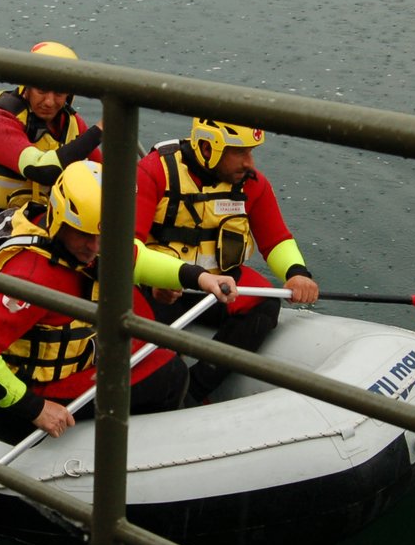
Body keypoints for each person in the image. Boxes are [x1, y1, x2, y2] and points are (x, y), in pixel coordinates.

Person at [0, 161, 237, 438]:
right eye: (85, 236)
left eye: (102, 235)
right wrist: (35, 409)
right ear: (61, 220)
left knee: (157, 345)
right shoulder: (32, 278)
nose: (95, 247)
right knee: (169, 374)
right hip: (29, 393)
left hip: (71, 363)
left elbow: (135, 258)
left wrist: (199, 277)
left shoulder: (79, 239)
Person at [135, 118, 320, 403]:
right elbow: (127, 249)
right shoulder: (154, 172)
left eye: (251, 151)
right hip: (162, 287)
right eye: (240, 152)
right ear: (208, 148)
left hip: (219, 283)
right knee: (157, 344)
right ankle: (164, 389)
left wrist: (297, 272)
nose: (250, 162)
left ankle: (195, 391)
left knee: (265, 305)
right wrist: (169, 278)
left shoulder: (252, 184)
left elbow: (276, 239)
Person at [0, 40, 102, 257]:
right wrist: (101, 129)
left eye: (60, 93)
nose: (50, 102)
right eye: (41, 90)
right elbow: (41, 170)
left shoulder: (72, 124)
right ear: (27, 85)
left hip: (39, 215)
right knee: (30, 266)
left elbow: (100, 172)